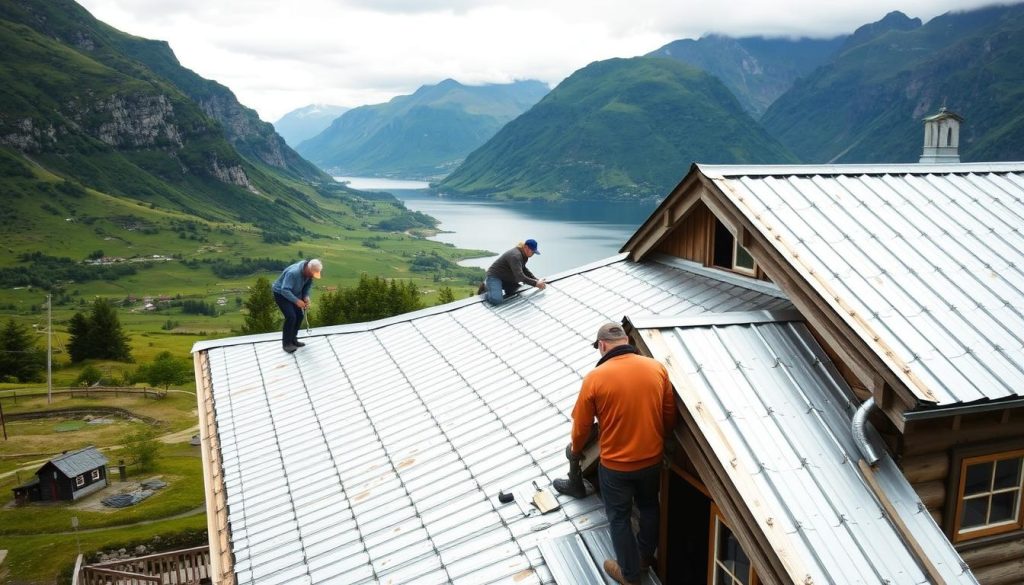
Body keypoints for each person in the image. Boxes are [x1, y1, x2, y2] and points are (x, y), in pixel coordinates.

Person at [561, 322, 676, 585]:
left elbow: (581, 427)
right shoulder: (656, 368)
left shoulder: (595, 378)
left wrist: (576, 452)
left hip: (616, 467)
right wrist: (662, 439)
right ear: (626, 341)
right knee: (649, 507)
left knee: (619, 518)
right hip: (651, 460)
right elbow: (669, 414)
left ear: (602, 346)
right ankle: (645, 557)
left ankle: (629, 574)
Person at [271, 258, 322, 353]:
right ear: (308, 269)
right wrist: (297, 301)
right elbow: (285, 290)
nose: (313, 277)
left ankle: (293, 339)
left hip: (294, 293)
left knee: (299, 315)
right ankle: (286, 344)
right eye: (312, 274)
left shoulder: (309, 274)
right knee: (291, 317)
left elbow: (307, 286)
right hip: (281, 294)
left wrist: (306, 297)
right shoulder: (293, 273)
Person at [481, 239, 546, 305]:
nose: (533, 254)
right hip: (494, 277)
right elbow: (520, 277)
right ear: (526, 247)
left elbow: (524, 269)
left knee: (516, 291)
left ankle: (496, 288)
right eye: (532, 252)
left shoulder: (524, 255)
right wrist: (536, 283)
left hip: (505, 279)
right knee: (496, 300)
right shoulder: (515, 256)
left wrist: (536, 280)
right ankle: (486, 287)